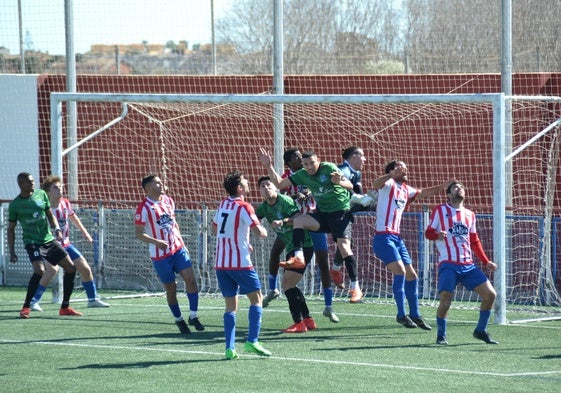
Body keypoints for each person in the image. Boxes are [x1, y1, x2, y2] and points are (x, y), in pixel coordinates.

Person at [259, 148, 364, 304]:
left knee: (344, 248)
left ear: (319, 161)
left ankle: (355, 288)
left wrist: (340, 181)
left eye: (311, 163)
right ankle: (299, 257)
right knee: (299, 220)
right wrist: (269, 166)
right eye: (306, 164)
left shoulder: (329, 168)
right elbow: (279, 183)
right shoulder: (302, 175)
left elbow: (349, 185)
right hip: (322, 215)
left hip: (340, 214)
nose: (309, 167)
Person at [371, 160, 453, 330]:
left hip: (397, 238)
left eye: (404, 168)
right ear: (392, 171)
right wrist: (390, 175)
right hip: (383, 237)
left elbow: (423, 193)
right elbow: (375, 184)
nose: (404, 170)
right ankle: (401, 314)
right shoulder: (388, 184)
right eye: (400, 168)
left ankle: (415, 314)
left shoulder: (405, 189)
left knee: (412, 275)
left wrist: (442, 186)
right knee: (400, 272)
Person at [263, 148, 339, 322]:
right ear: (290, 161)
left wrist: (310, 193)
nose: (300, 158)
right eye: (296, 156)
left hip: (312, 220)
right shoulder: (289, 176)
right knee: (275, 252)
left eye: (302, 157)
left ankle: (329, 306)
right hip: (293, 222)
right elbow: (280, 193)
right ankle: (273, 288)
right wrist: (296, 194)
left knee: (322, 261)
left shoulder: (313, 172)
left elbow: (321, 187)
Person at [425, 181, 498, 345]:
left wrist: (486, 261)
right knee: (446, 300)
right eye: (455, 188)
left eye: (462, 187)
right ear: (449, 195)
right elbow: (428, 232)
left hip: (468, 265)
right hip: (448, 264)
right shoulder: (440, 210)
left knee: (491, 295)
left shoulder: (470, 215)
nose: (460, 189)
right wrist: (437, 235)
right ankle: (441, 335)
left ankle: (480, 330)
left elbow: (474, 240)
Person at [212, 171, 272, 359]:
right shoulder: (245, 207)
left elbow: (215, 228)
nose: (247, 182)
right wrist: (265, 231)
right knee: (257, 299)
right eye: (244, 180)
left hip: (221, 263)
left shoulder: (223, 204)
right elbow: (258, 231)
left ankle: (229, 348)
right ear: (239, 188)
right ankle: (252, 341)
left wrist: (243, 242)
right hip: (240, 263)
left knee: (231, 306)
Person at [135, 174, 204, 335]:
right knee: (171, 288)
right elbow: (138, 233)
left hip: (178, 249)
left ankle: (193, 316)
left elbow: (173, 223)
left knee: (191, 281)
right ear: (148, 188)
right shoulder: (143, 208)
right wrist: (156, 242)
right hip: (160, 255)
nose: (162, 184)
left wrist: (183, 244)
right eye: (157, 183)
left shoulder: (168, 200)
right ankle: (179, 320)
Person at [7, 172, 82, 319]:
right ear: (22, 184)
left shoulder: (41, 194)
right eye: (29, 181)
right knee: (40, 270)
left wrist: (57, 229)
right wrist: (12, 251)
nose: (33, 183)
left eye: (33, 180)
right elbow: (10, 229)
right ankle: (26, 306)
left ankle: (65, 307)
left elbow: (49, 214)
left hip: (48, 240)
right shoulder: (15, 205)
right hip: (32, 242)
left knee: (71, 268)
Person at [29, 175, 110, 311]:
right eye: (55, 187)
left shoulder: (65, 203)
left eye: (61, 187)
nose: (59, 190)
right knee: (52, 270)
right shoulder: (43, 208)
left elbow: (73, 217)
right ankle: (34, 300)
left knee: (85, 268)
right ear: (48, 192)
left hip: (65, 244)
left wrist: (85, 232)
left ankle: (92, 299)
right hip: (49, 245)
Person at [256, 176, 317, 333]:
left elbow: (298, 218)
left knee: (287, 285)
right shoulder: (263, 207)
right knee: (290, 285)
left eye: (268, 184)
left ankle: (299, 323)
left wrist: (282, 221)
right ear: (260, 191)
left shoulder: (285, 201)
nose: (266, 187)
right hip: (292, 246)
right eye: (262, 186)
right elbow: (253, 219)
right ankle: (308, 320)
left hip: (302, 245)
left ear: (275, 187)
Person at [331, 146, 374, 290]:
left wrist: (367, 199)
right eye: (362, 155)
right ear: (353, 156)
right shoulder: (343, 170)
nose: (365, 159)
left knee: (347, 244)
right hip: (333, 212)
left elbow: (358, 192)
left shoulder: (356, 172)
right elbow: (336, 188)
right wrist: (364, 199)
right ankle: (354, 287)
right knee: (345, 246)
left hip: (344, 210)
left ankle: (335, 270)